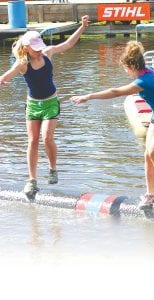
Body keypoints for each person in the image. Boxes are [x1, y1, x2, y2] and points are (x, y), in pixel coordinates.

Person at [70, 40, 154, 210]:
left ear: (132, 66)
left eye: (125, 67)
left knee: (153, 152)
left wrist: (89, 96)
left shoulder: (142, 82)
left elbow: (115, 92)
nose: (125, 71)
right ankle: (150, 194)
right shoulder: (147, 69)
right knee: (147, 156)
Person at [0, 15, 89, 199]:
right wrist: (3, 80)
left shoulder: (47, 53)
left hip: (50, 102)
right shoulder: (22, 64)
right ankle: (32, 180)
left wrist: (82, 27)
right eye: (35, 49)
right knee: (32, 141)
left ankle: (52, 169)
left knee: (47, 137)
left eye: (40, 47)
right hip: (33, 105)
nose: (39, 51)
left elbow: (68, 44)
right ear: (26, 48)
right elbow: (5, 77)